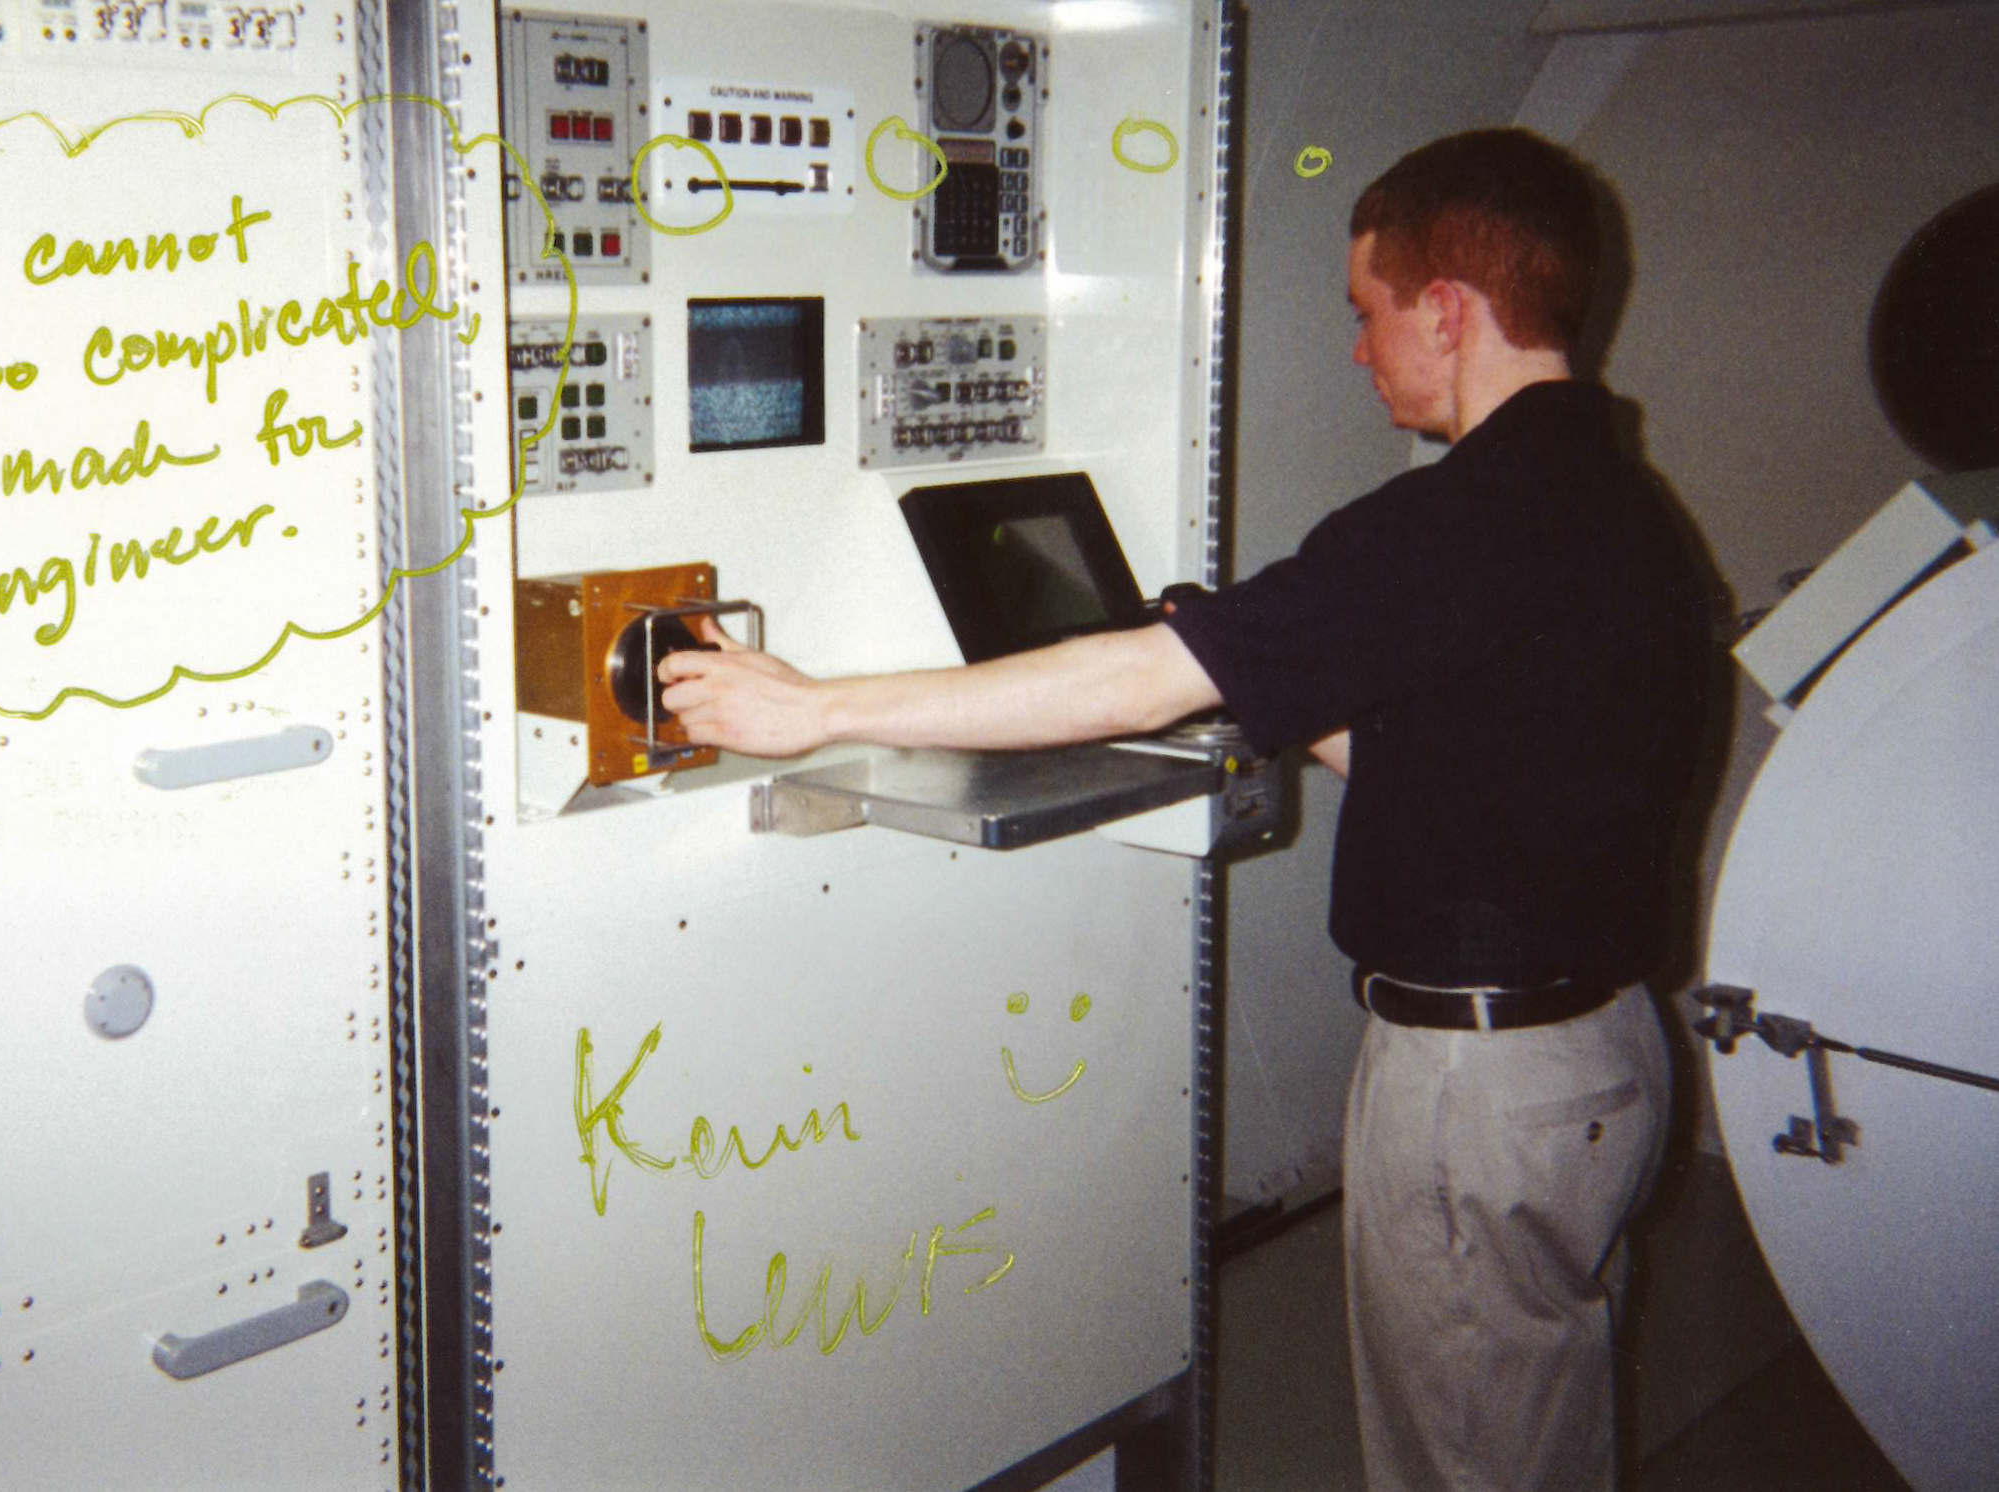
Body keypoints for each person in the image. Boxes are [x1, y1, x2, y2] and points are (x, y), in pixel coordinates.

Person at [659, 127, 1714, 1491]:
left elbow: (1129, 680)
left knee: (1472, 1462)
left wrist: (817, 710)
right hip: (1602, 1059)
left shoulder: (1455, 519)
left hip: (1480, 1085)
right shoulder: (1622, 505)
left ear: (1448, 311)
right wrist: (1274, 674)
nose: (1358, 350)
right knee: (1543, 1427)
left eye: (1368, 312)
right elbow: (1492, 763)